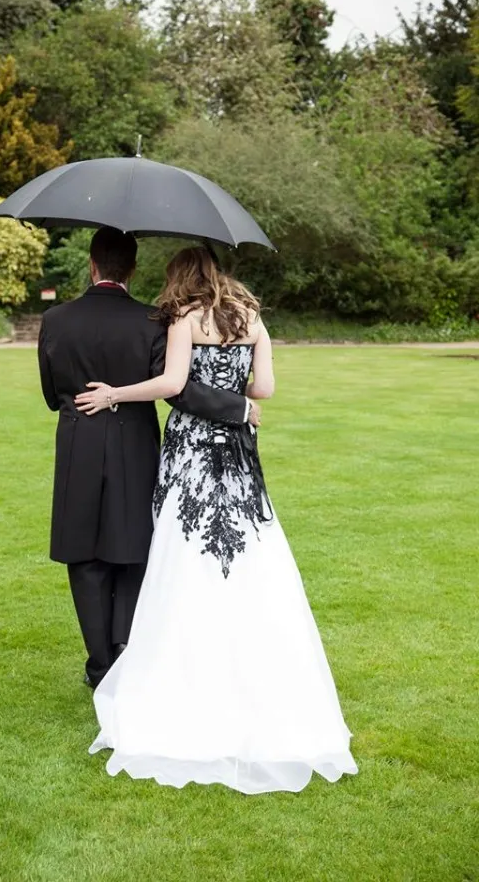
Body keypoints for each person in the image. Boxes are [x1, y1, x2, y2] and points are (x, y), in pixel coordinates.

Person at [74, 246, 358, 795]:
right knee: (248, 549)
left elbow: (172, 385)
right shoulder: (251, 319)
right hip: (238, 450)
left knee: (183, 550)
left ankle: (180, 673)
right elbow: (265, 389)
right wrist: (238, 392)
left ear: (181, 276)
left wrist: (115, 394)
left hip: (189, 452)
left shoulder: (183, 317)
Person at [38, 227, 258, 690]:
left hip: (78, 443)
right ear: (132, 269)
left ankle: (98, 663)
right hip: (135, 444)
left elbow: (48, 394)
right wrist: (237, 407)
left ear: (91, 265)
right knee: (133, 547)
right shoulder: (152, 320)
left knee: (84, 555)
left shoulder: (56, 319)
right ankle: (123, 649)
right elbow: (177, 391)